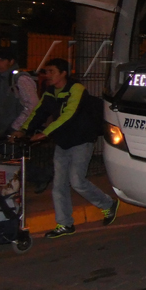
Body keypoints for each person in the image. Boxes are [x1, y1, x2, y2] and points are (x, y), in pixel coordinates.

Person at [17, 58, 119, 238]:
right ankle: (65, 224)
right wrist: (24, 129)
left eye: (51, 72)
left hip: (81, 140)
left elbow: (68, 115)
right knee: (58, 185)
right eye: (46, 72)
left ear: (63, 73)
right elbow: (39, 112)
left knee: (77, 181)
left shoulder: (76, 89)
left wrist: (45, 133)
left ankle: (107, 204)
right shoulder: (50, 92)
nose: (47, 75)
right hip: (63, 141)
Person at [0, 47, 53, 193]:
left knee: (12, 156)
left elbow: (32, 105)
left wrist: (18, 127)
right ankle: (18, 185)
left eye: (1, 60)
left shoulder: (20, 79)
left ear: (11, 61)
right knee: (10, 156)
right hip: (6, 126)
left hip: (17, 126)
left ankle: (37, 178)